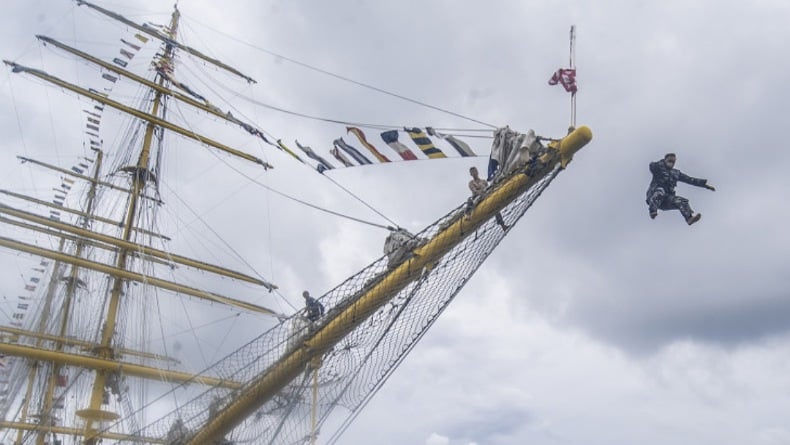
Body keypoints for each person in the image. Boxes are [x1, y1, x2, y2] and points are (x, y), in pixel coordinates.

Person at [646, 153, 715, 225]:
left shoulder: (675, 173)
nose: (671, 163)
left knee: (682, 201)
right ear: (665, 160)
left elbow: (690, 180)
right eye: (669, 161)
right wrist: (661, 163)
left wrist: (705, 186)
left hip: (666, 200)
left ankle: (689, 218)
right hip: (654, 197)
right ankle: (652, 211)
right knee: (660, 191)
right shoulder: (659, 167)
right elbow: (652, 166)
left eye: (673, 162)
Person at [468, 166, 508, 231]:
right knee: (470, 201)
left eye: (474, 171)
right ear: (471, 174)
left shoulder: (484, 181)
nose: (474, 173)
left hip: (486, 196)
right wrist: (480, 192)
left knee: (496, 208)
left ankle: (502, 225)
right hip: (478, 199)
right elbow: (474, 190)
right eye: (472, 172)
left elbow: (488, 189)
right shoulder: (471, 183)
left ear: (477, 171)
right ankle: (468, 213)